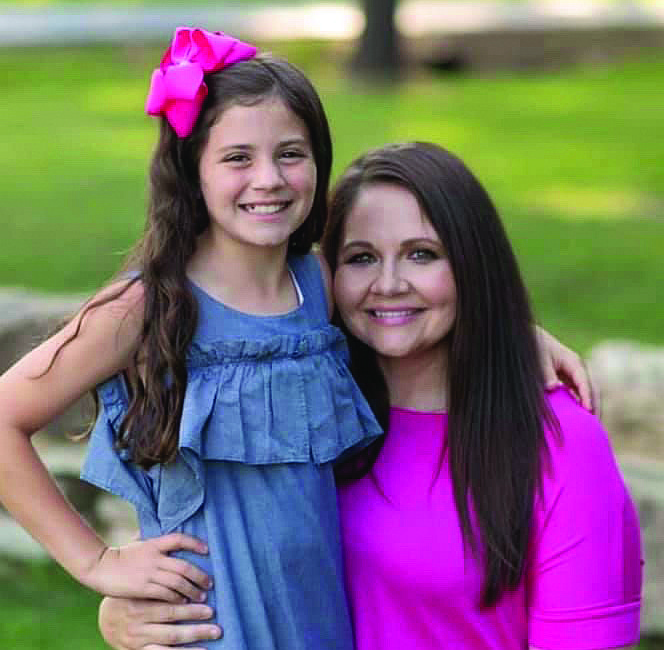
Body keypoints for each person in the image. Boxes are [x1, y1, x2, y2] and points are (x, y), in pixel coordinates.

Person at [0, 25, 591, 650]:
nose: (269, 179)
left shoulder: (320, 286)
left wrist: (523, 336)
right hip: (211, 628)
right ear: (192, 169)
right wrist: (95, 563)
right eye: (237, 159)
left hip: (318, 623)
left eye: (290, 153)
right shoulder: (147, 304)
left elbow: (409, 301)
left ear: (318, 161)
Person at [96, 145, 638, 650]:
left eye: (422, 255)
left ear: (475, 265)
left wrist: (509, 334)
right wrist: (123, 612)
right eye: (360, 258)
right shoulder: (294, 410)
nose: (389, 283)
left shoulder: (562, 445)